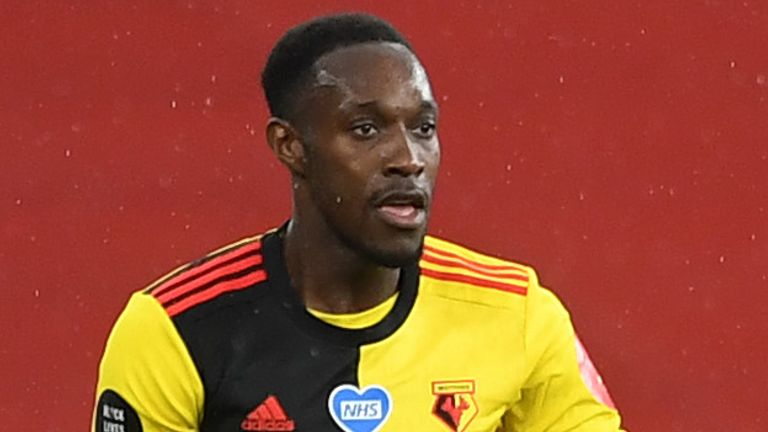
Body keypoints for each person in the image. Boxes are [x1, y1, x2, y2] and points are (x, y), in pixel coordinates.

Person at [93, 13, 623, 432]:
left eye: (424, 127)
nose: (408, 158)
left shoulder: (516, 313)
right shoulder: (175, 329)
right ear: (291, 146)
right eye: (367, 129)